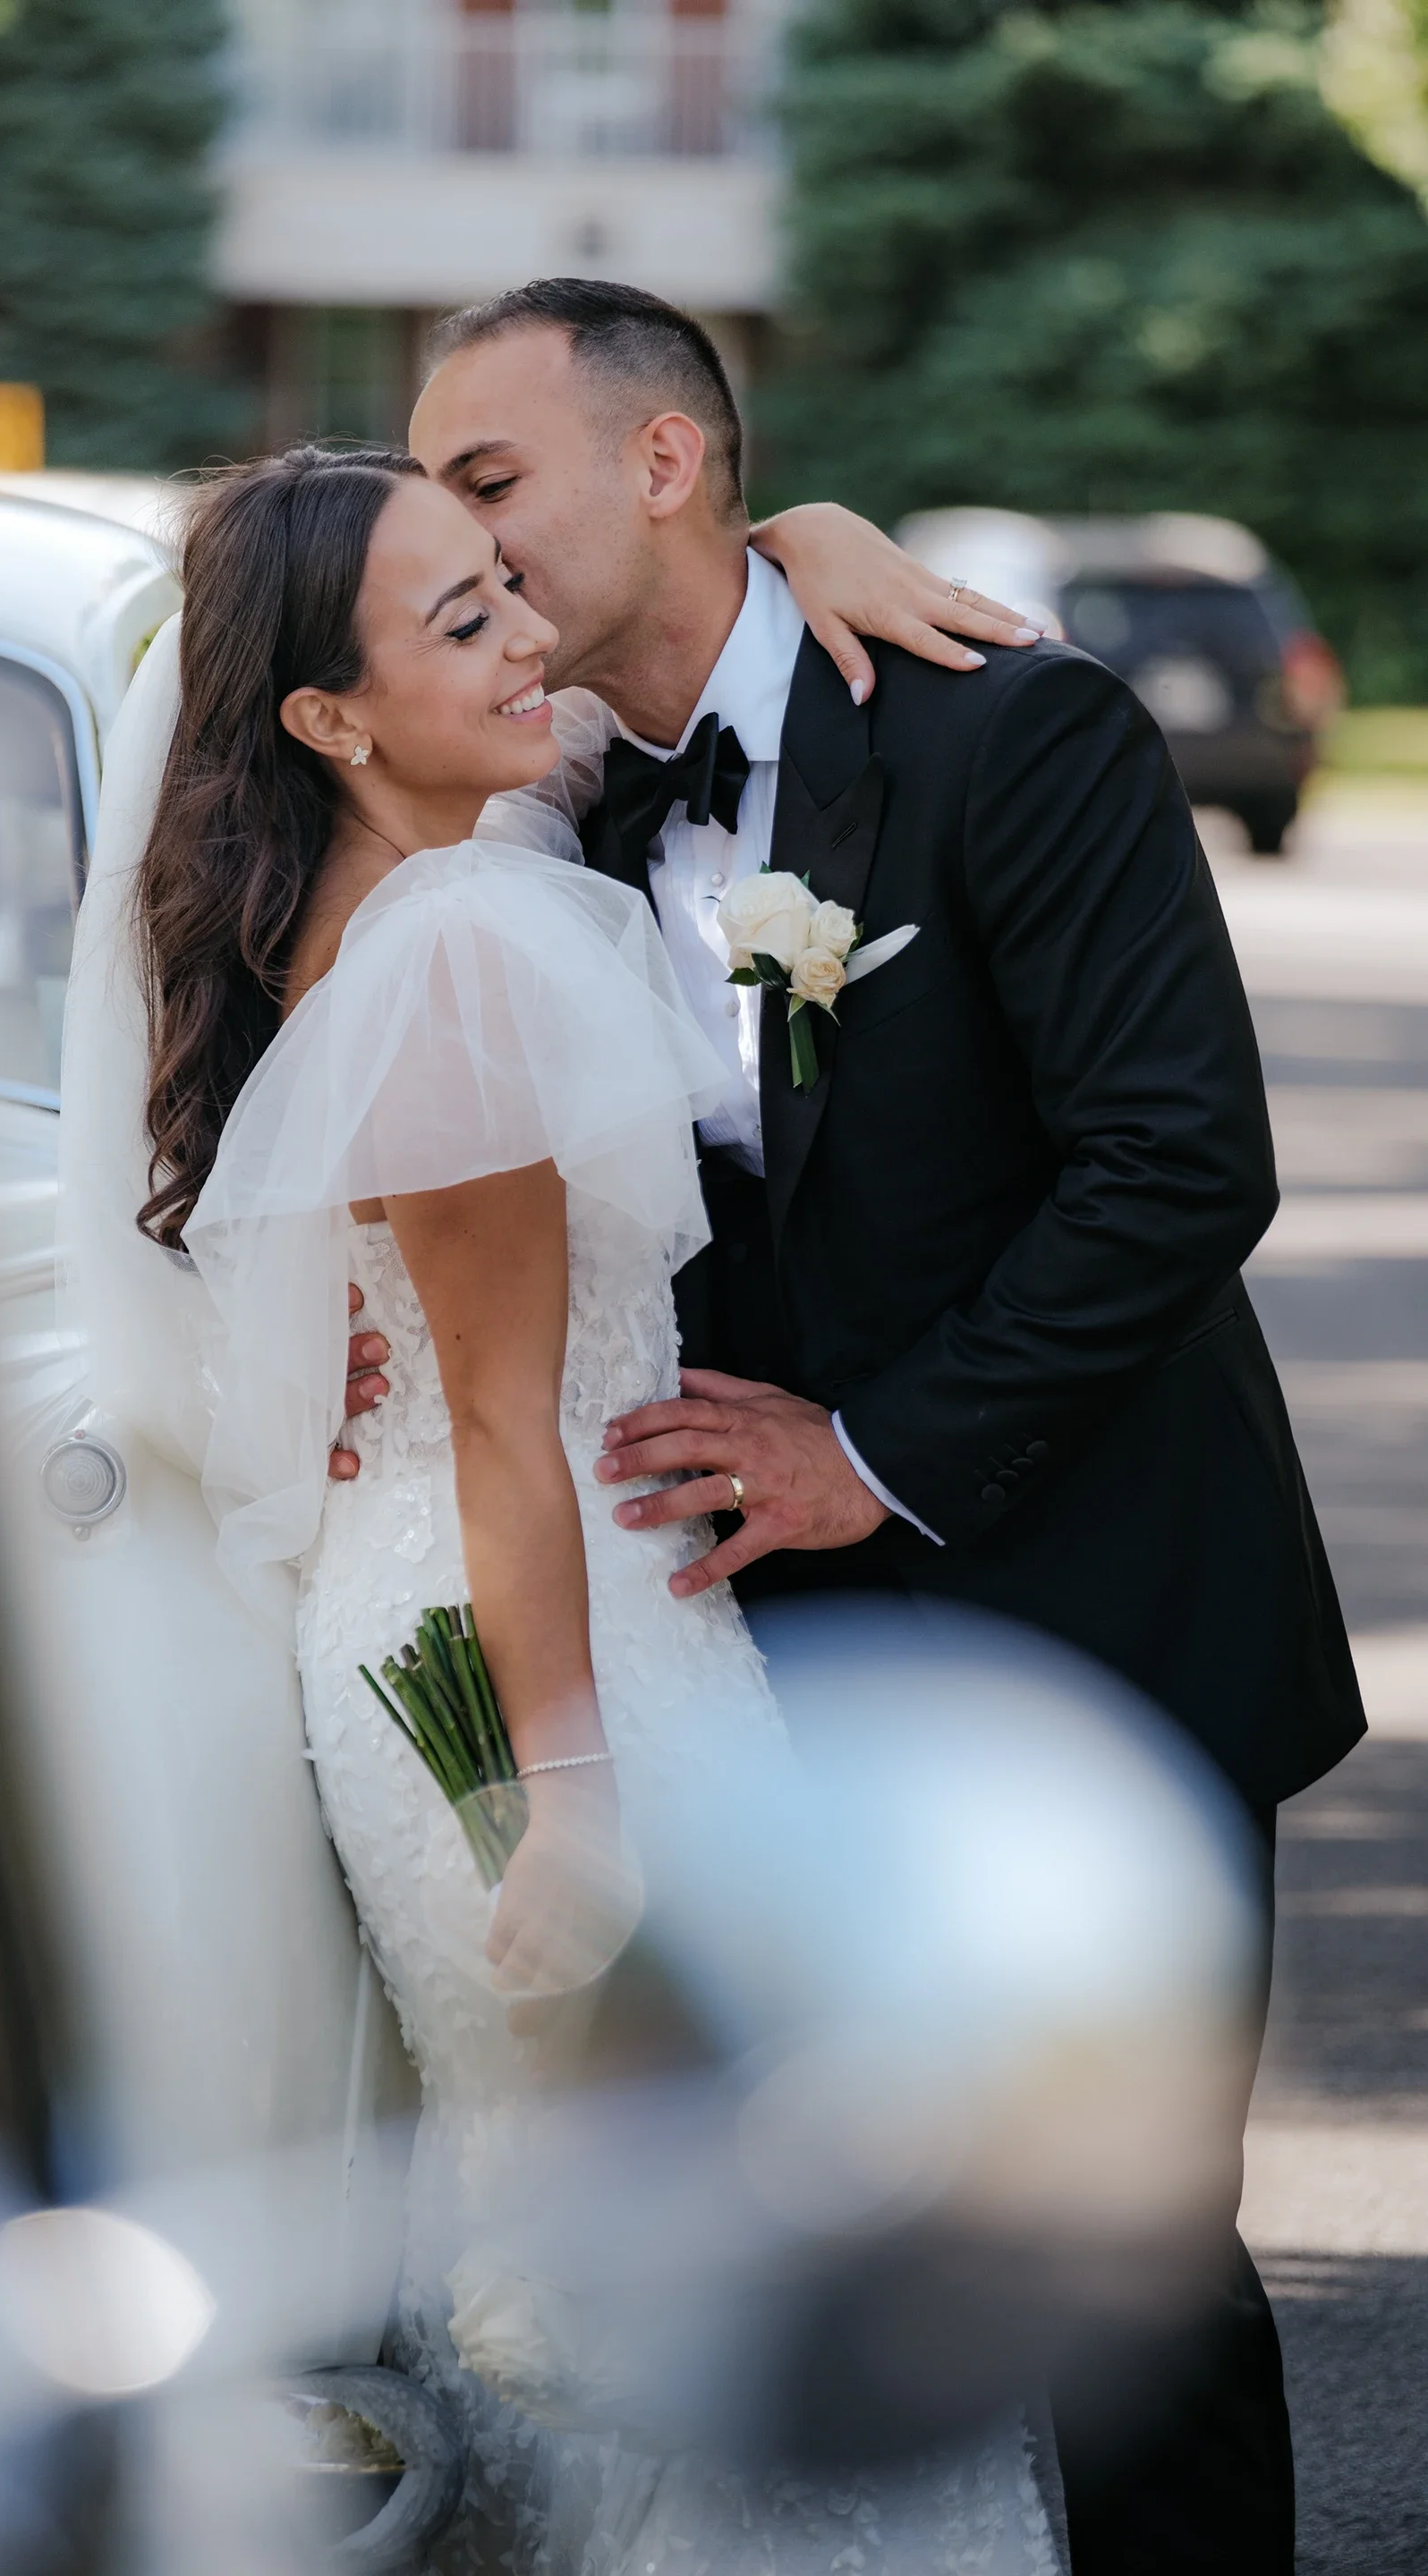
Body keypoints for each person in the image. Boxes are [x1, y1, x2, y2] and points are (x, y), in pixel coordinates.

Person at [349, 277, 1362, 2576]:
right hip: (759, 1668)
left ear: (667, 466)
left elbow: (1181, 1163)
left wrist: (872, 1453)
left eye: (492, 481)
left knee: (1129, 2269)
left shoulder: (1022, 735)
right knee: (844, 2272)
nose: (467, 539)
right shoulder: (546, 812)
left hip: (1110, 1607)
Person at [129, 447, 1063, 2576]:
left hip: (475, 1604)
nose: (527, 638)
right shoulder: (460, 955)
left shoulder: (420, 871)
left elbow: (639, 616)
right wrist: (571, 1793)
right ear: (328, 721)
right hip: (536, 1658)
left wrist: (798, 538)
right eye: (460, 625)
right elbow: (493, 1425)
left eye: (506, 583)